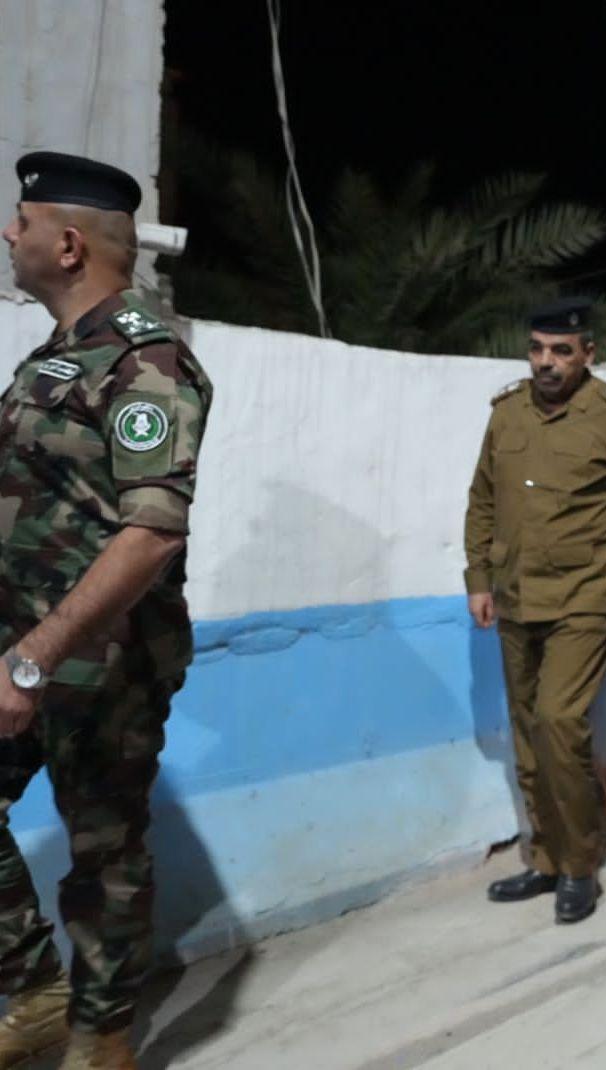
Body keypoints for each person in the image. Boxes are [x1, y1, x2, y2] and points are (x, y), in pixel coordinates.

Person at [0, 152, 214, 1068]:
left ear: (68, 245)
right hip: (22, 642)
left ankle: (101, 1039)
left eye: (21, 222)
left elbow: (151, 533)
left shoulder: (146, 359)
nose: (8, 233)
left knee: (105, 855)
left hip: (101, 661)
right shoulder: (56, 354)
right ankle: (36, 988)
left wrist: (32, 660)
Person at [464, 297, 606, 925]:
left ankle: (580, 864)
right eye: (537, 349)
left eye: (560, 351)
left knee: (558, 722)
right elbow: (482, 499)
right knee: (527, 732)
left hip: (585, 599)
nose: (545, 362)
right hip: (516, 595)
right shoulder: (507, 412)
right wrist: (478, 578)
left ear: (588, 354)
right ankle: (545, 859)